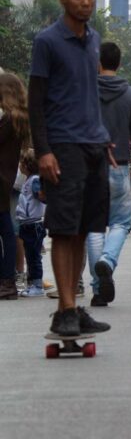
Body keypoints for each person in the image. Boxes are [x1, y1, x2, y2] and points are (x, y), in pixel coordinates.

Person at [28, 0, 115, 336]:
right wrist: (43, 150)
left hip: (93, 143)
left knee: (82, 228)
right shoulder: (47, 41)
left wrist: (103, 136)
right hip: (62, 146)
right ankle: (63, 310)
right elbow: (36, 101)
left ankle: (74, 308)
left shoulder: (93, 39)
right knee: (63, 229)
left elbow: (88, 93)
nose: (85, 2)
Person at [86, 41, 131, 307]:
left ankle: (97, 286)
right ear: (119, 63)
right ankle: (108, 260)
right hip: (120, 167)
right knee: (121, 223)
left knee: (93, 227)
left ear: (98, 63)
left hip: (88, 166)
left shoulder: (86, 93)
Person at [0, 73, 30, 300]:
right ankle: (7, 279)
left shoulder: (8, 119)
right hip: (6, 177)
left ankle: (7, 280)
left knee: (6, 231)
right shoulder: (18, 117)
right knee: (7, 231)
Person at [16, 149, 46, 297]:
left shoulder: (34, 180)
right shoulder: (28, 180)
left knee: (34, 256)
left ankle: (37, 285)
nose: (19, 165)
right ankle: (33, 283)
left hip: (34, 224)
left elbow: (41, 196)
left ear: (27, 165)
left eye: (21, 162)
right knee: (30, 254)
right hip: (27, 223)